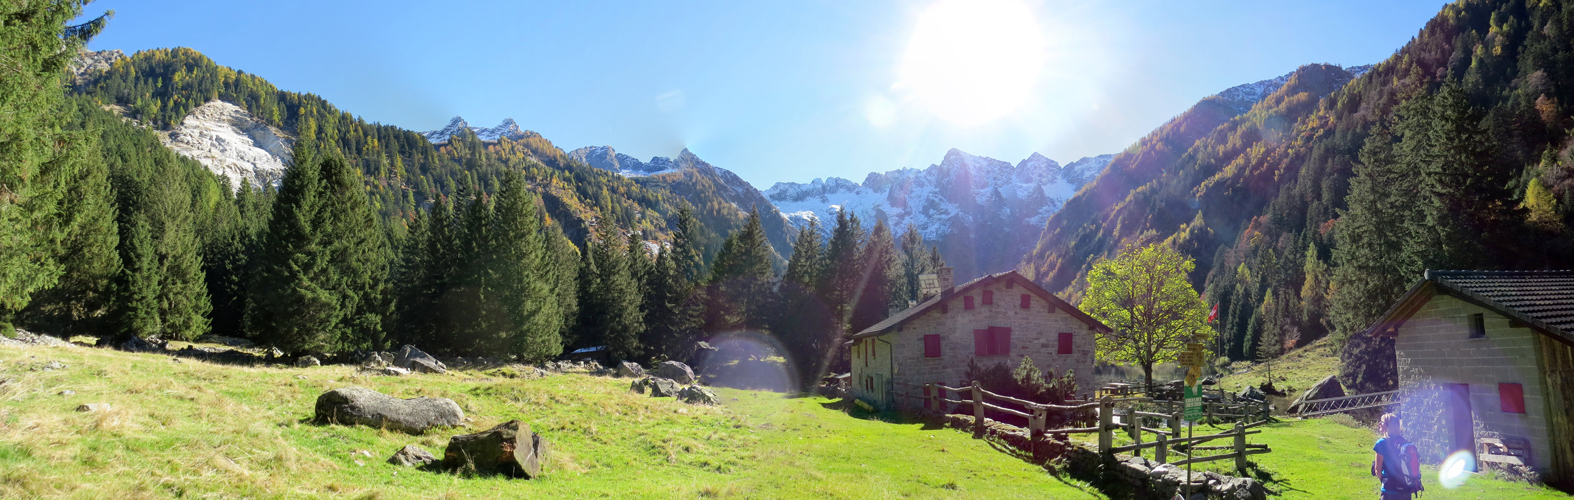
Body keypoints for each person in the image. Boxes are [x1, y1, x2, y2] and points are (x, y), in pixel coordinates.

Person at [1371, 413, 1421, 499]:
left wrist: (1384, 482)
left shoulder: (1382, 443)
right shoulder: (1404, 442)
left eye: (1381, 422)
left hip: (1389, 491)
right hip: (1406, 489)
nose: (1379, 424)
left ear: (1388, 426)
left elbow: (1377, 470)